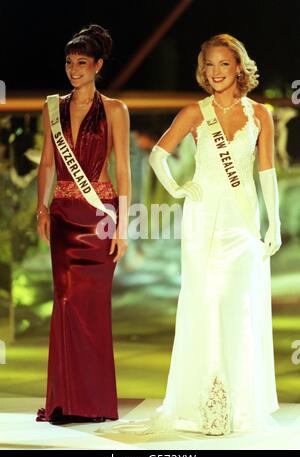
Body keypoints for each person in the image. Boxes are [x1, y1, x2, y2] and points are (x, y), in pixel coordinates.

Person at [147, 33, 281, 435]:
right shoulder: (194, 112)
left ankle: (237, 403)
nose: (216, 72)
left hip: (242, 221)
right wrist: (178, 188)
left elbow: (266, 171)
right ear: (202, 70)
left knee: (236, 304)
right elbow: (157, 155)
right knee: (205, 303)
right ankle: (206, 402)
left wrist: (274, 222)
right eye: (209, 65)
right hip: (203, 218)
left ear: (239, 66)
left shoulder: (261, 114)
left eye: (224, 64)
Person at [36, 24, 131, 424]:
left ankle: (92, 403)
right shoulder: (51, 107)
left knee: (92, 309)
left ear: (98, 66)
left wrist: (124, 227)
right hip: (61, 216)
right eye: (69, 63)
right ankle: (64, 401)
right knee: (64, 303)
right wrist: (41, 208)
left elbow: (123, 169)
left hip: (99, 218)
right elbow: (45, 161)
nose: (74, 70)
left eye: (81, 63)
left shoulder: (114, 109)